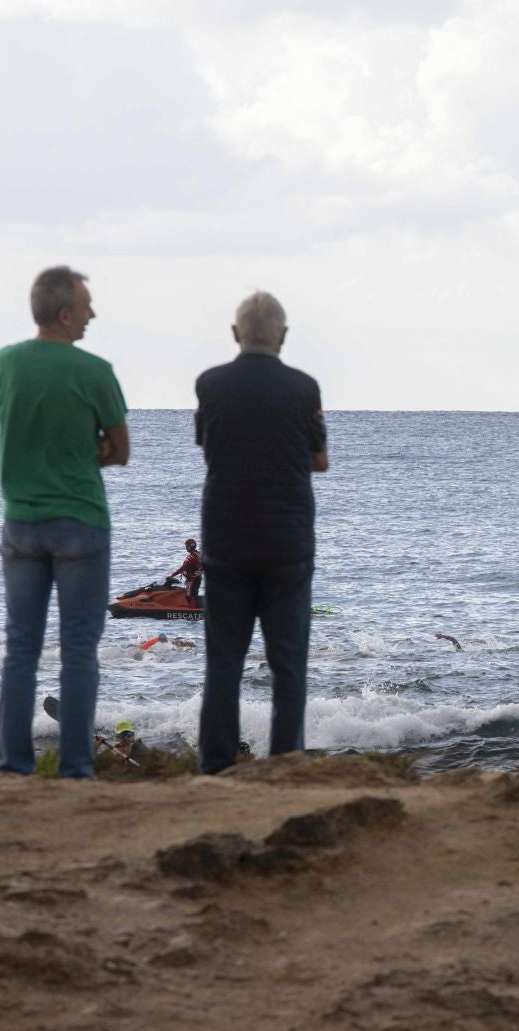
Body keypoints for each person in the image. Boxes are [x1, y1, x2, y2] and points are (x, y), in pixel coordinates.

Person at [0, 266, 130, 779]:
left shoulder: (5, 363)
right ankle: (76, 768)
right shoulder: (95, 370)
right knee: (78, 651)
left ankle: (13, 766)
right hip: (81, 520)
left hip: (22, 520)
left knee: (20, 648)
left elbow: (20, 429)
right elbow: (120, 449)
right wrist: (86, 452)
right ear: (66, 312)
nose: (93, 314)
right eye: (87, 305)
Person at [194, 291, 329, 774]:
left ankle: (214, 766)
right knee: (288, 664)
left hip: (226, 539)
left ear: (236, 334)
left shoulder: (210, 384)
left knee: (223, 663)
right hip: (287, 544)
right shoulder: (303, 388)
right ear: (284, 336)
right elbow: (320, 460)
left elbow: (206, 445)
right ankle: (287, 762)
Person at [169, 538, 202, 605]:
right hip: (196, 579)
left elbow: (182, 568)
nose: (186, 548)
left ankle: (193, 612)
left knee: (190, 596)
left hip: (192, 580)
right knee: (192, 595)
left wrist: (172, 575)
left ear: (191, 546)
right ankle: (194, 609)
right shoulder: (198, 554)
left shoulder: (192, 557)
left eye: (187, 546)